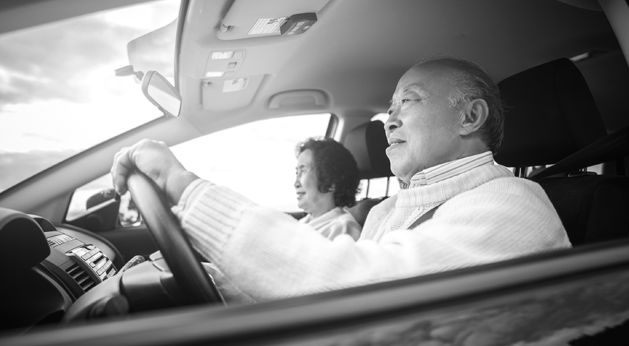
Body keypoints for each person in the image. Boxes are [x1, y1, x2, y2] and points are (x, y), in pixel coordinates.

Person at [111, 57, 571, 303]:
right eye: (388, 108)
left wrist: (180, 184)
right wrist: (216, 281)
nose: (387, 121)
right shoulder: (390, 211)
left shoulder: (514, 205)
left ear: (470, 116)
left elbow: (351, 290)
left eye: (407, 102)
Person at [294, 137, 361, 241]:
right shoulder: (303, 223)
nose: (296, 183)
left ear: (331, 182)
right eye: (297, 172)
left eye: (303, 171)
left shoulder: (343, 229)